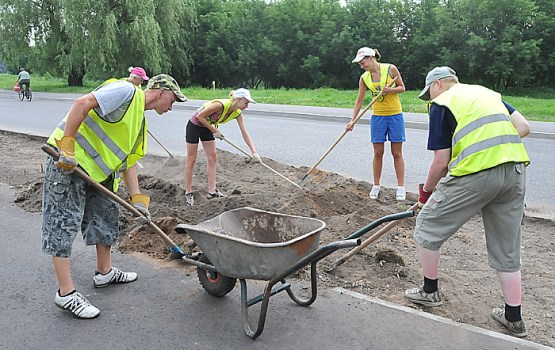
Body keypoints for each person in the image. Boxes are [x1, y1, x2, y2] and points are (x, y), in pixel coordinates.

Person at [42, 74, 187, 319]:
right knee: (63, 224)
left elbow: (127, 164)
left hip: (98, 174)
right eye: (173, 100)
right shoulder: (126, 91)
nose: (172, 107)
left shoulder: (139, 123)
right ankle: (66, 294)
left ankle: (104, 272)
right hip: (68, 162)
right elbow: (81, 103)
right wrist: (66, 146)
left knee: (106, 217)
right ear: (161, 91)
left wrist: (138, 201)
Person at [404, 66, 531, 338]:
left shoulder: (443, 102)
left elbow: (441, 160)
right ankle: (514, 318)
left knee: (427, 225)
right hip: (515, 171)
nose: (430, 98)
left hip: (478, 174)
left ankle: (429, 292)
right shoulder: (486, 93)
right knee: (506, 247)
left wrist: (425, 194)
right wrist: (489, 147)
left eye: (429, 93)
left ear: (437, 84)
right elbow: (523, 127)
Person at [347, 47, 407, 201]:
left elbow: (402, 88)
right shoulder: (364, 78)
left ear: (371, 57)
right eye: (359, 63)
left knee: (397, 153)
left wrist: (390, 90)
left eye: (362, 62)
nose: (361, 65)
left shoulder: (390, 69)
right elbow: (359, 100)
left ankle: (401, 187)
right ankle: (376, 185)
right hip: (378, 117)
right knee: (378, 153)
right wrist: (352, 120)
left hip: (395, 115)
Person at [184, 88, 260, 206]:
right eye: (246, 102)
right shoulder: (220, 105)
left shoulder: (237, 113)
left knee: (213, 157)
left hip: (207, 127)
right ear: (239, 99)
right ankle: (188, 192)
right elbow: (200, 116)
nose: (247, 106)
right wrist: (215, 131)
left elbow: (244, 132)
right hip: (194, 125)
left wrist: (254, 152)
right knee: (192, 159)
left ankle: (212, 191)